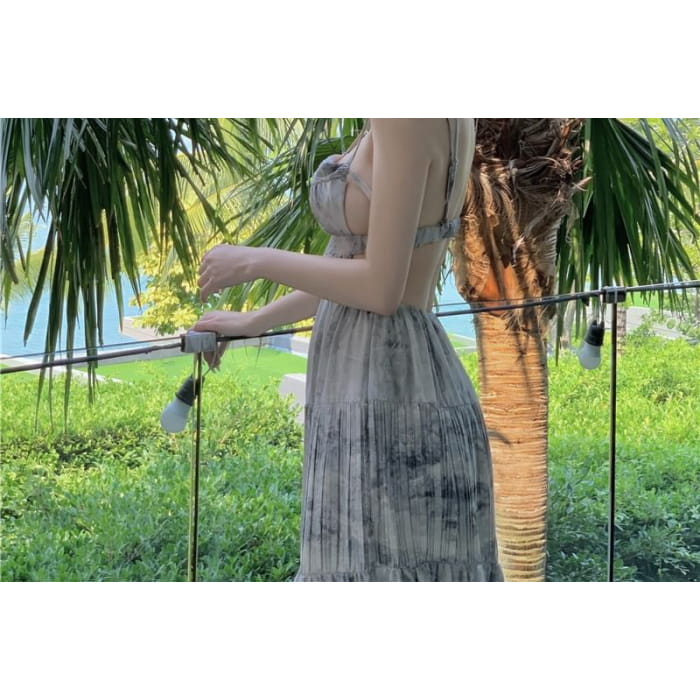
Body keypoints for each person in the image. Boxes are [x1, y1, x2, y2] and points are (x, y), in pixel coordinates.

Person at [192, 118, 503, 582]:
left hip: (383, 384)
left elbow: (380, 288)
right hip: (394, 373)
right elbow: (354, 265)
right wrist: (255, 321)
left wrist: (255, 259)